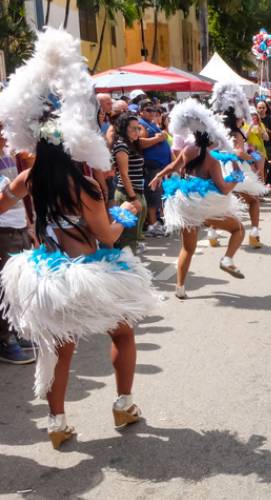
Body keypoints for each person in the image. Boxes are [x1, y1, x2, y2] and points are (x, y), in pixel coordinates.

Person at [0, 28, 155, 449]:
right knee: (122, 333)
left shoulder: (30, 178)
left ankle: (56, 424)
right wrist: (127, 212)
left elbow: (1, 204)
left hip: (47, 273)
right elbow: (106, 234)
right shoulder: (85, 187)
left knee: (59, 349)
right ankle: (124, 404)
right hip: (89, 274)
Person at [150, 99, 246, 299]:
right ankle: (227, 259)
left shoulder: (188, 150)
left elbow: (173, 167)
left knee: (188, 248)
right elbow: (223, 189)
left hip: (185, 202)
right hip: (203, 206)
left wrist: (158, 176)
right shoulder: (212, 161)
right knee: (238, 229)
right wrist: (236, 179)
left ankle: (180, 288)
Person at [211, 82, 269, 249]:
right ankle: (254, 234)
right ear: (237, 117)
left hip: (218, 168)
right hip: (234, 169)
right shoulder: (236, 132)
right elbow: (237, 152)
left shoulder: (218, 131)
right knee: (254, 201)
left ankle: (212, 234)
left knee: (220, 202)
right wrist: (250, 158)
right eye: (242, 116)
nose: (244, 118)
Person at [0, 124, 36, 365]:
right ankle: (5, 340)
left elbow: (20, 192)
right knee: (5, 288)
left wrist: (29, 223)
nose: (5, 134)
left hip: (18, 226)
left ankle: (13, 331)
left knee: (18, 285)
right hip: (4, 231)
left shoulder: (8, 156)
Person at [111, 114, 146, 252]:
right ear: (124, 129)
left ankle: (129, 264)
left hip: (136, 192)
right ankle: (126, 267)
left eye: (138, 128)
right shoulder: (121, 146)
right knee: (127, 237)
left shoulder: (130, 144)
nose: (137, 132)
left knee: (133, 235)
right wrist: (133, 198)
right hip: (127, 195)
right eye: (133, 129)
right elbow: (124, 174)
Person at [138, 99, 173, 238]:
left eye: (153, 110)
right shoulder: (141, 125)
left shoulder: (152, 124)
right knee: (153, 196)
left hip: (160, 166)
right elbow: (140, 143)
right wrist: (158, 139)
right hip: (152, 166)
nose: (152, 112)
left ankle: (155, 223)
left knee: (158, 196)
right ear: (141, 112)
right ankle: (152, 225)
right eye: (148, 110)